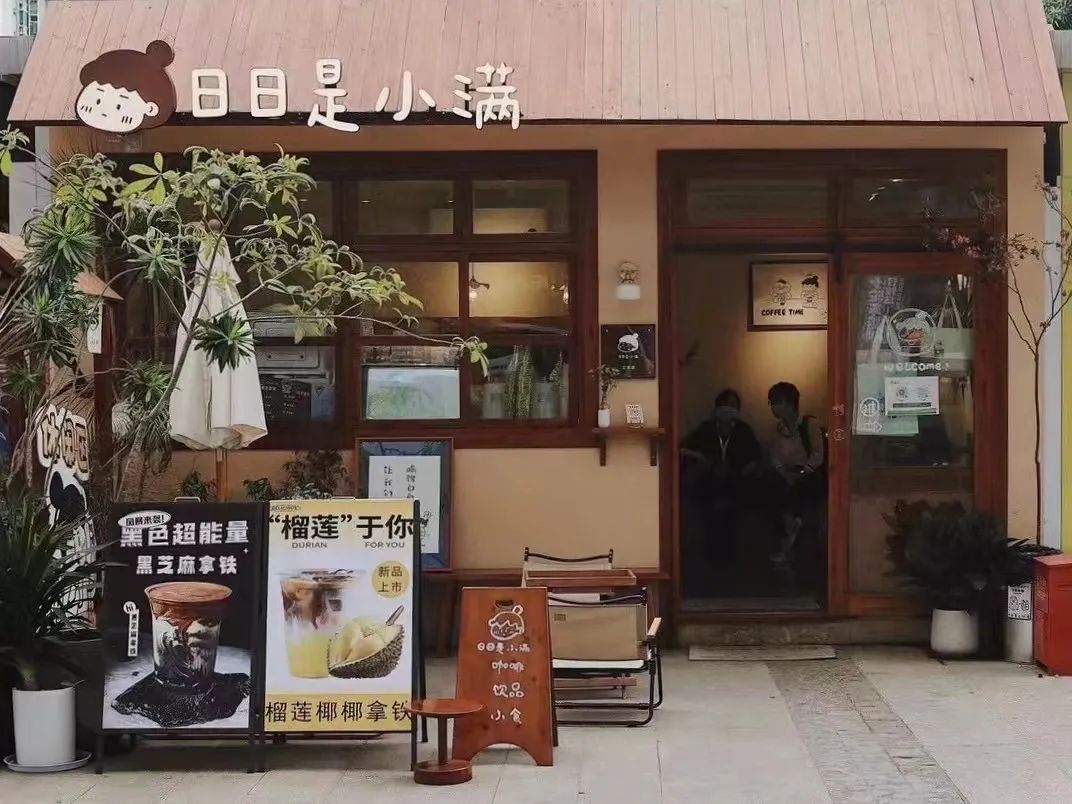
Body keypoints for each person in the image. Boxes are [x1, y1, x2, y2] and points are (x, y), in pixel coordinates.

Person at [680, 389, 762, 559]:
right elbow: (683, 448)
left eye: (733, 406)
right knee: (711, 505)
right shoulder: (707, 428)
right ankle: (714, 553)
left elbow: (756, 457)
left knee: (729, 506)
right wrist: (700, 457)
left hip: (736, 481)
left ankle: (726, 553)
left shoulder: (743, 430)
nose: (729, 409)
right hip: (710, 479)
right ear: (717, 408)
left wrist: (747, 470)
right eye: (725, 405)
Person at [766, 382, 826, 563]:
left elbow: (818, 454)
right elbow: (775, 457)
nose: (773, 407)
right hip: (787, 473)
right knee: (771, 489)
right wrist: (784, 473)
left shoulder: (809, 424)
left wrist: (802, 472)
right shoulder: (779, 429)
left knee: (800, 491)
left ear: (788, 403)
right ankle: (789, 537)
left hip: (808, 473)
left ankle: (794, 540)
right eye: (771, 403)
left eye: (776, 402)